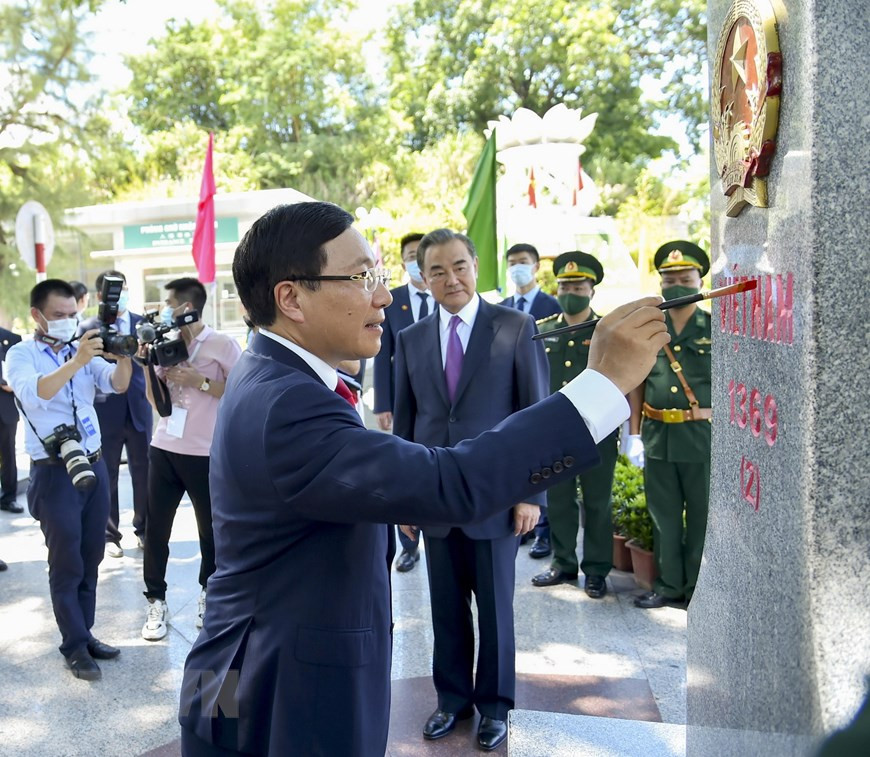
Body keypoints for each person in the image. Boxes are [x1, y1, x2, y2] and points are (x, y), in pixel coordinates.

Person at [178, 201, 669, 757]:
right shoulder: (289, 403)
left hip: (238, 657)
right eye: (362, 278)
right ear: (290, 297)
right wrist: (602, 386)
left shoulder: (266, 370)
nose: (384, 296)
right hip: (285, 686)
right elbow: (452, 483)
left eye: (381, 276)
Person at [392, 229, 548, 750]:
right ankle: (452, 700)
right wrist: (405, 498)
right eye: (436, 270)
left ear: (476, 265)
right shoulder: (410, 339)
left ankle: (495, 706)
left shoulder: (515, 327)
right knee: (446, 609)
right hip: (435, 496)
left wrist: (533, 494)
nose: (449, 279)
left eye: (458, 266)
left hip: (497, 498)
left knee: (496, 611)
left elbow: (536, 417)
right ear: (422, 276)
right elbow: (407, 429)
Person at [5, 279, 132, 680]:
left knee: (92, 555)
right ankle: (73, 645)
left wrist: (126, 356)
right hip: (53, 472)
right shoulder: (21, 354)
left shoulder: (84, 348)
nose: (67, 322)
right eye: (58, 316)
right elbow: (36, 393)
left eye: (72, 315)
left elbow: (116, 383)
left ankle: (85, 632)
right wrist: (76, 361)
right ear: (37, 316)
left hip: (94, 464)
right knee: (66, 562)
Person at [140, 278, 241, 641]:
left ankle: (207, 593)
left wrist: (200, 381)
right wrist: (148, 367)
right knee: (156, 530)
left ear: (186, 307)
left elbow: (242, 391)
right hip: (165, 446)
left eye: (169, 302)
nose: (164, 308)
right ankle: (155, 599)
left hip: (205, 452)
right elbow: (157, 403)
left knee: (209, 530)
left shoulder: (221, 344)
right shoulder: (164, 343)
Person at [628, 241, 712, 609]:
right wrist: (632, 434)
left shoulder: (715, 327)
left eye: (685, 278)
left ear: (699, 281)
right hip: (658, 434)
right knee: (663, 516)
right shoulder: (649, 330)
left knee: (701, 517)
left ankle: (697, 588)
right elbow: (637, 384)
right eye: (669, 279)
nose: (676, 284)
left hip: (702, 436)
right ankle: (668, 586)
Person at [531, 252, 619, 599]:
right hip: (554, 431)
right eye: (565, 285)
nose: (571, 291)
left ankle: (596, 570)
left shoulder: (606, 331)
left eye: (579, 286)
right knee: (560, 499)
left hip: (597, 429)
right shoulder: (542, 330)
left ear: (592, 291)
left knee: (597, 502)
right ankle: (563, 563)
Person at [78, 271, 152, 558]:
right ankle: (110, 535)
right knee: (106, 473)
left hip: (138, 408)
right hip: (104, 410)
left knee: (143, 472)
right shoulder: (88, 328)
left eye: (124, 289)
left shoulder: (141, 323)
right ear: (101, 297)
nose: (120, 296)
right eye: (114, 291)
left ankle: (144, 529)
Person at [372, 232, 431, 572]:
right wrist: (383, 402)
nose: (416, 261)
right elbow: (382, 355)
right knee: (404, 466)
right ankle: (409, 546)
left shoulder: (448, 296)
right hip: (404, 397)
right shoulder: (391, 300)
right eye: (410, 254)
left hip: (443, 400)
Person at [499, 242, 561, 319]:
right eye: (512, 264)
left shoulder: (554, 305)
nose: (517, 267)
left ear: (537, 266)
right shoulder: (500, 308)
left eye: (523, 262)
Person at [0, 326, 23, 514]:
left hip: (5, 407)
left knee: (8, 453)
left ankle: (9, 497)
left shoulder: (12, 339)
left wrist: (14, 385)